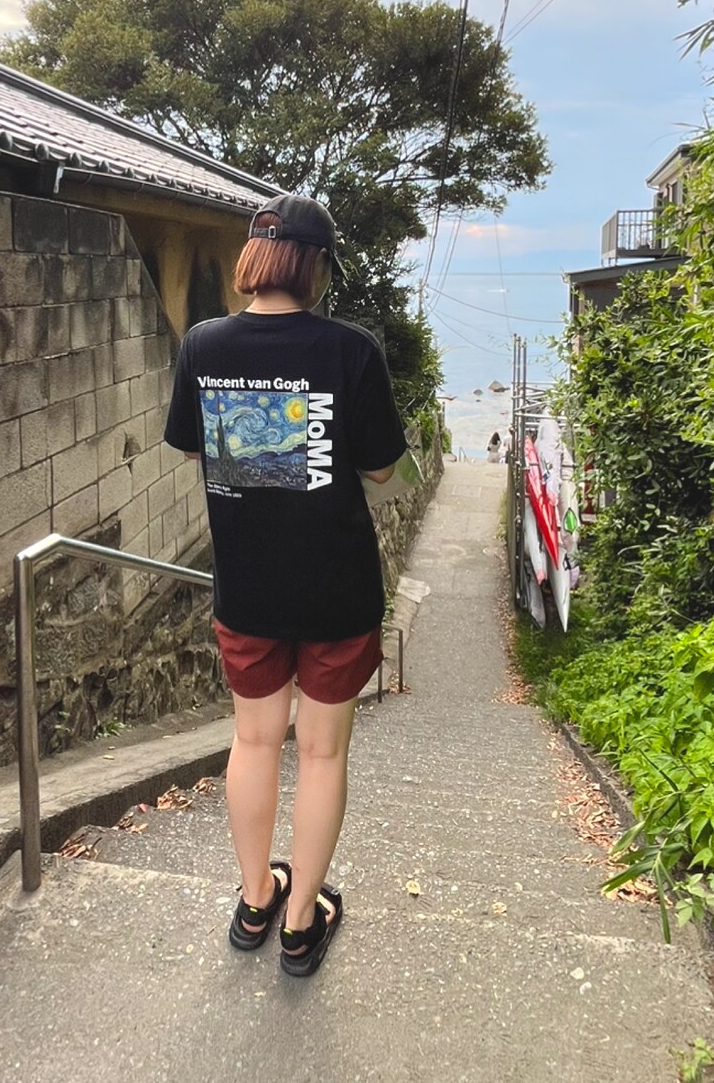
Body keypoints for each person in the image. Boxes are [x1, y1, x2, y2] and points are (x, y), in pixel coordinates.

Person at [164, 194, 407, 976]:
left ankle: (254, 900)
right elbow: (382, 469)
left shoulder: (203, 344)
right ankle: (301, 924)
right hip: (337, 589)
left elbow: (197, 451)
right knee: (323, 754)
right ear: (315, 265)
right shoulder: (351, 350)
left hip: (248, 586)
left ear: (256, 257)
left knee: (254, 740)